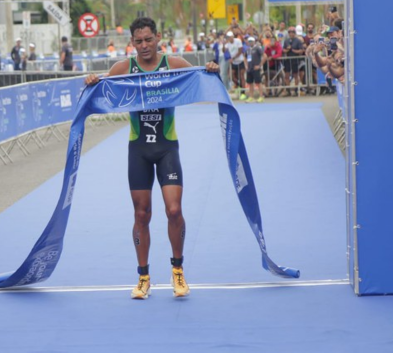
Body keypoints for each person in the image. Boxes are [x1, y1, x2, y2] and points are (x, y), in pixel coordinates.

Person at [84, 17, 220, 300]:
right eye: (138, 41)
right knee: (141, 214)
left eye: (149, 39)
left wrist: (211, 70)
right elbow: (100, 90)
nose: (144, 46)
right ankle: (143, 277)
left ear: (158, 38)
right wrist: (92, 81)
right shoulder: (123, 69)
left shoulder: (174, 64)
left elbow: (203, 79)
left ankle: (178, 271)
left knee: (173, 210)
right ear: (131, 43)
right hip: (139, 150)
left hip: (167, 146)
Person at [223, 31, 246, 99]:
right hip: (234, 62)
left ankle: (243, 92)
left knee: (241, 76)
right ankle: (239, 86)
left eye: (230, 37)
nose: (229, 38)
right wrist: (224, 44)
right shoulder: (227, 43)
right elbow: (224, 51)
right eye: (228, 37)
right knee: (232, 76)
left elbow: (240, 51)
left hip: (240, 61)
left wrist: (233, 58)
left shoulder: (238, 41)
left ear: (232, 37)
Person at [244, 37, 265, 103]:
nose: (250, 42)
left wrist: (259, 65)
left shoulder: (257, 48)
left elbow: (265, 56)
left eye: (251, 41)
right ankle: (251, 97)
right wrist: (246, 66)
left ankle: (261, 96)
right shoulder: (248, 49)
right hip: (249, 68)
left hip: (256, 68)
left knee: (258, 82)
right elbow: (245, 57)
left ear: (254, 41)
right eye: (249, 41)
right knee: (250, 83)